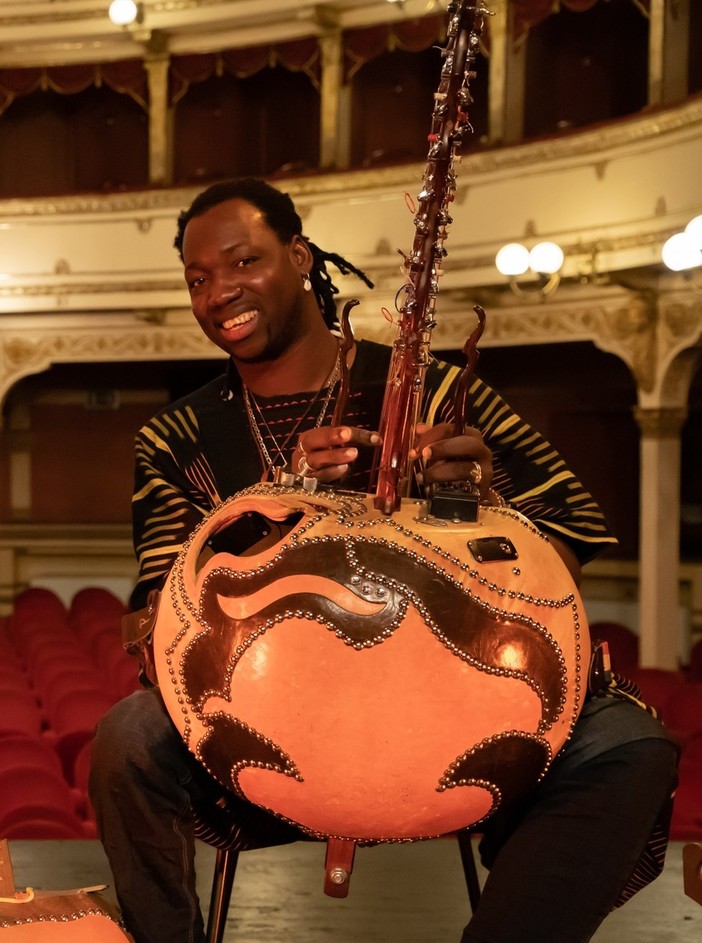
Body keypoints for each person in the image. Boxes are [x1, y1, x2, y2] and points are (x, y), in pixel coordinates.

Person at [89, 177, 678, 943]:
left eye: (244, 261)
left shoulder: (436, 391)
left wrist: (483, 496)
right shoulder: (176, 437)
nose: (219, 292)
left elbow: (571, 528)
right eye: (198, 279)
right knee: (128, 740)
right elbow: (159, 609)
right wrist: (274, 495)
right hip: (261, 728)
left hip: (456, 711)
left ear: (300, 256)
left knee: (627, 743)